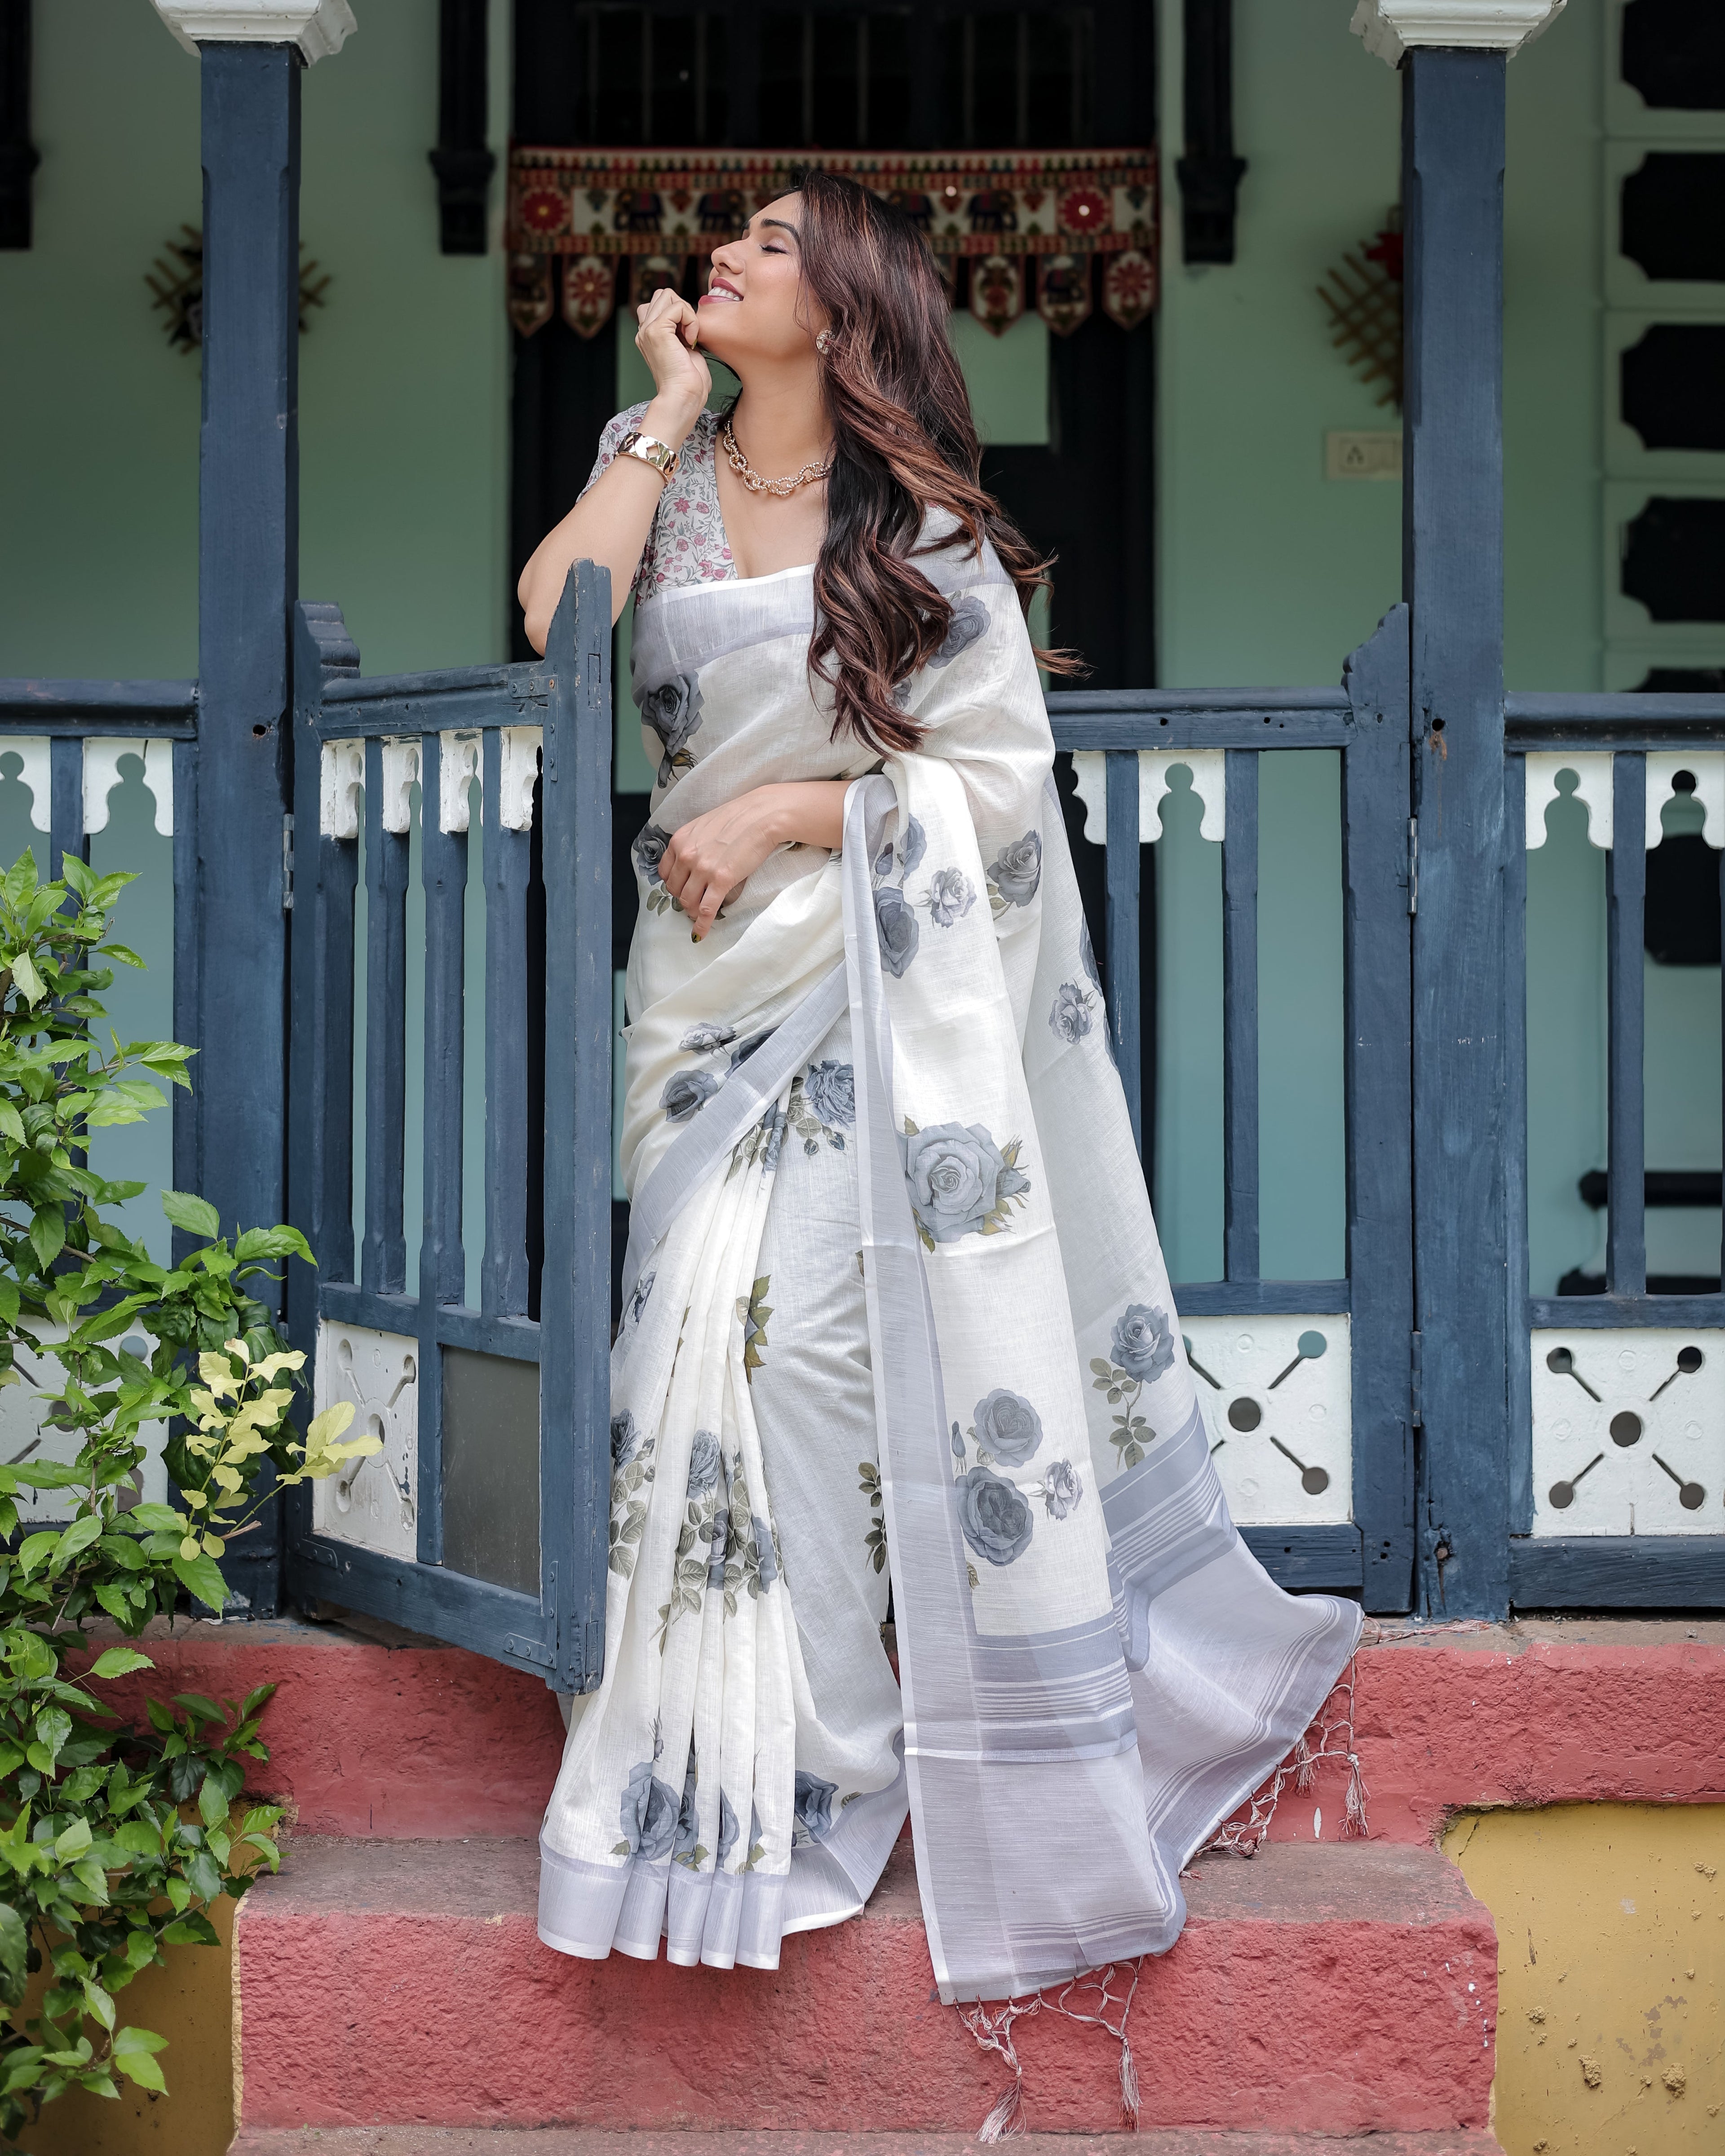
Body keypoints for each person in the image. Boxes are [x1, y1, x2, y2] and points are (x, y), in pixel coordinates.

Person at [518, 170, 1360, 2015]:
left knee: (806, 1364)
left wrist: (786, 806)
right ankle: (688, 1786)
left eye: (767, 243)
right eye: (729, 236)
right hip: (698, 1006)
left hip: (860, 994)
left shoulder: (923, 535)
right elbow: (557, 617)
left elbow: (994, 788)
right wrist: (665, 407)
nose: (725, 253)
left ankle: (825, 1767)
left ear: (839, 307)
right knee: (675, 1369)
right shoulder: (664, 480)